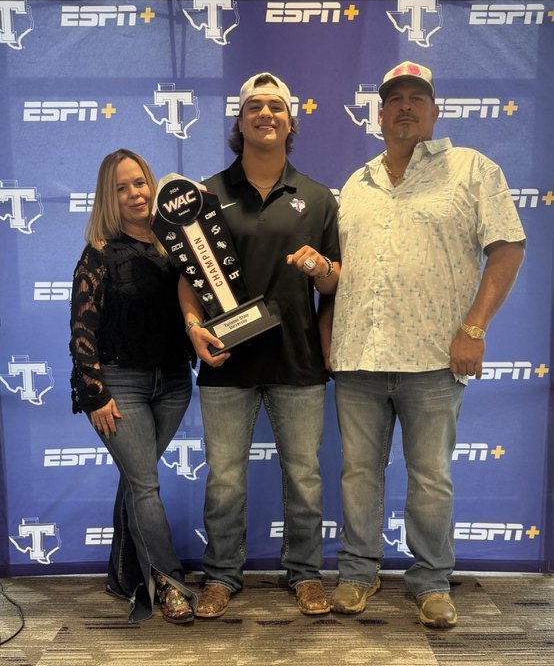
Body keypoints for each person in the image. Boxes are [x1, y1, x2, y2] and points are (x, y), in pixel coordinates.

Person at [329, 61, 526, 627]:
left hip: (435, 360)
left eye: (418, 98)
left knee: (431, 478)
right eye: (395, 100)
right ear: (381, 113)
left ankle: (432, 582)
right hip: (359, 359)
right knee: (358, 474)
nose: (406, 107)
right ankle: (358, 573)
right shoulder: (356, 184)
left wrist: (473, 329)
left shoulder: (471, 170)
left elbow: (508, 248)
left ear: (435, 112)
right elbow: (348, 272)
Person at [178, 72, 340, 617]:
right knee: (224, 479)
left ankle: (305, 574)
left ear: (290, 122)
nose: (266, 114)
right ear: (240, 121)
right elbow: (188, 276)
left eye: (276, 107)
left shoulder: (318, 198)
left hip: (299, 362)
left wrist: (321, 268)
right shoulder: (206, 195)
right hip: (227, 362)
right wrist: (192, 325)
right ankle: (222, 576)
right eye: (255, 107)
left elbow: (335, 281)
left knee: (304, 477)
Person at [70, 149, 196, 624]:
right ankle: (170, 583)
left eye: (139, 182)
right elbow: (81, 327)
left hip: (174, 382)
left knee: (135, 479)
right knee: (145, 486)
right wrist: (95, 391)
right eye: (121, 188)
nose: (134, 194)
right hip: (119, 383)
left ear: (153, 185)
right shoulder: (100, 251)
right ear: (110, 197)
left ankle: (123, 574)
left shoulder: (175, 245)